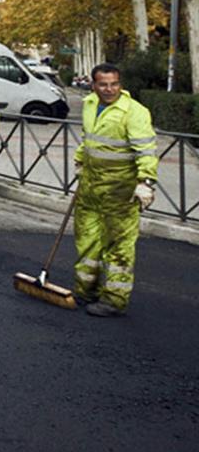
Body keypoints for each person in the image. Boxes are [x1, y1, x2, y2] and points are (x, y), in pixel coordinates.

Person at [73, 63, 158, 317]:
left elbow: (146, 150)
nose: (109, 89)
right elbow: (89, 139)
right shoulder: (89, 105)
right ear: (94, 85)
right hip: (90, 187)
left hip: (120, 191)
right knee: (87, 241)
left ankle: (113, 298)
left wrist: (146, 183)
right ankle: (85, 290)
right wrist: (80, 161)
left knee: (118, 245)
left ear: (121, 84)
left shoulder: (134, 112)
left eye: (114, 84)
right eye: (103, 84)